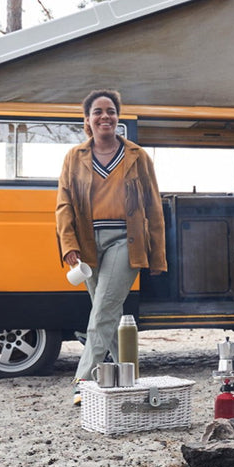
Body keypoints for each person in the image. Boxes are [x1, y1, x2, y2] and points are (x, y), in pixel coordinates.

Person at [56, 90, 167, 404]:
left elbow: (153, 206)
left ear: (118, 117)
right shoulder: (74, 157)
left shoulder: (137, 156)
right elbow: (63, 204)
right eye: (98, 112)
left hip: (125, 240)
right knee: (108, 313)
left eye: (110, 111)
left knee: (103, 309)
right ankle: (129, 378)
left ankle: (83, 378)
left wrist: (157, 255)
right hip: (88, 244)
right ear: (88, 120)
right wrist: (68, 244)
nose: (105, 116)